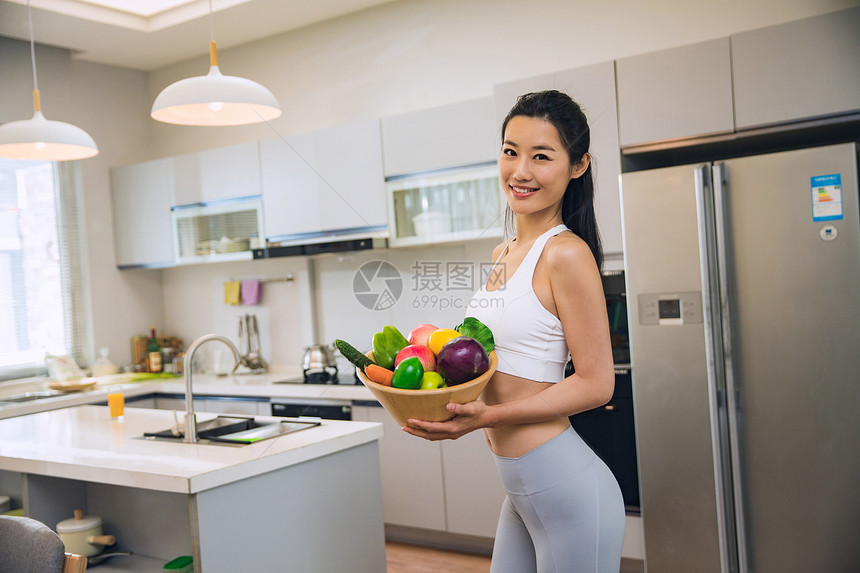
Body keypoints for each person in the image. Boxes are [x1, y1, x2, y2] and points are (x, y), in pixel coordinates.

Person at [402, 90, 625, 572]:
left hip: (567, 488)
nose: (520, 171)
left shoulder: (567, 255)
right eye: (510, 151)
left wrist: (489, 417)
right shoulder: (503, 254)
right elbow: (493, 355)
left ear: (578, 165)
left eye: (541, 156)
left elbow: (596, 383)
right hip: (522, 491)